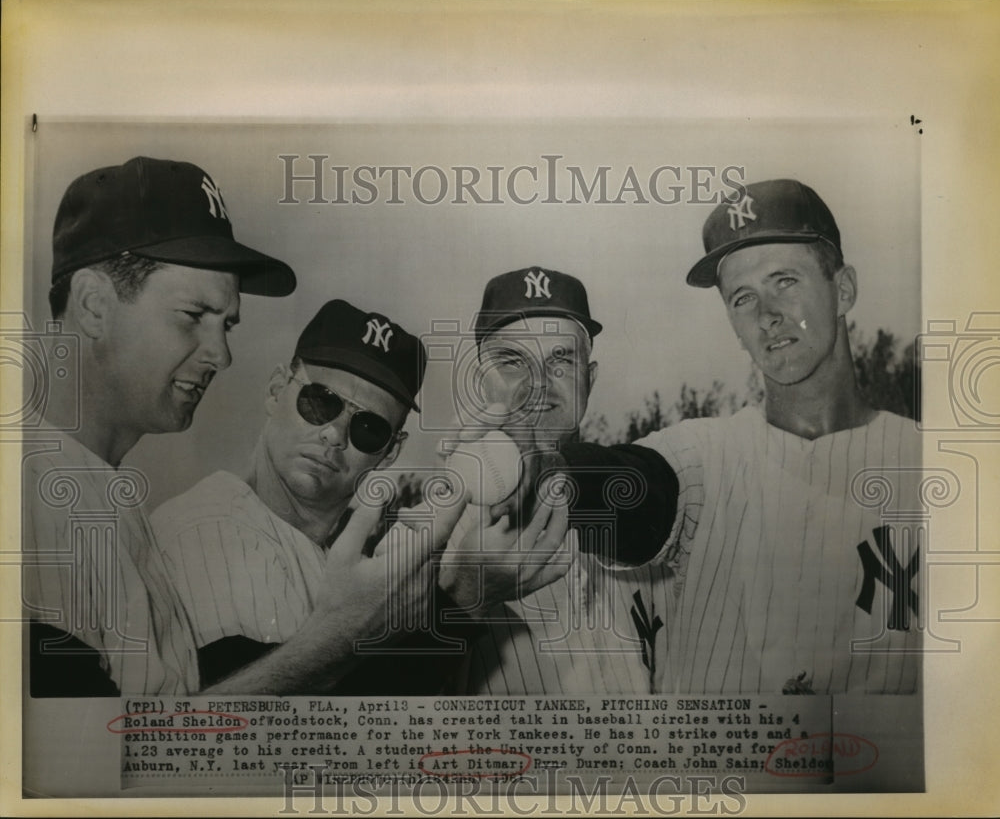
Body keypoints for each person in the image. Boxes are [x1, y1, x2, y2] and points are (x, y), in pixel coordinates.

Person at [24, 156, 449, 697]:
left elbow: (143, 748)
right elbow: (82, 770)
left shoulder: (104, 496)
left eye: (226, 325)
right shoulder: (26, 492)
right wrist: (341, 639)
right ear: (93, 305)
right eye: (193, 316)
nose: (221, 355)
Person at [496, 181, 922, 695]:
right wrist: (537, 472)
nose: (766, 314)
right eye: (743, 298)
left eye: (784, 280)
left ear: (844, 289)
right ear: (732, 325)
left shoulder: (935, 466)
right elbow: (631, 485)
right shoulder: (702, 456)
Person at [152, 298, 569, 691]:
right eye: (320, 402)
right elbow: (288, 737)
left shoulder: (343, 550)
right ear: (277, 389)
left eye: (369, 427)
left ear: (390, 452)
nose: (333, 434)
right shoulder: (212, 527)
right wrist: (461, 601)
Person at [439, 267, 677, 694]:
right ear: (480, 383)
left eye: (561, 360)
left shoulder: (642, 507)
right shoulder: (437, 539)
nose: (539, 384)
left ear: (591, 377)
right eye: (513, 362)